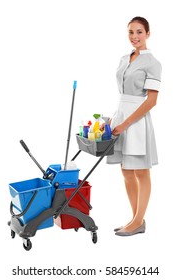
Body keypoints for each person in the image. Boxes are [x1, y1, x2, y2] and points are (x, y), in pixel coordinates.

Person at [107, 16, 162, 236]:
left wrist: (126, 123)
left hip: (137, 121)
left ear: (148, 34)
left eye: (139, 32)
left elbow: (151, 101)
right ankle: (134, 219)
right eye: (131, 32)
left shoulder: (153, 63)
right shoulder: (124, 58)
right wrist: (114, 119)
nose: (134, 37)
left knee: (140, 171)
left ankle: (139, 221)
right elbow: (123, 94)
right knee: (125, 170)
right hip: (120, 115)